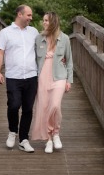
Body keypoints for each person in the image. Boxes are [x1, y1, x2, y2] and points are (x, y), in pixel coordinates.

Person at [0, 5, 39, 153]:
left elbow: (43, 49)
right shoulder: (5, 33)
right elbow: (0, 53)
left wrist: (60, 57)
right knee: (13, 105)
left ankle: (23, 139)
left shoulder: (34, 32)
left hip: (32, 76)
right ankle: (12, 131)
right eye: (28, 15)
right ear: (20, 14)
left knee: (28, 109)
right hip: (13, 76)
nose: (31, 18)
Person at [30, 11, 73, 153]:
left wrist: (69, 80)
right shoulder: (38, 38)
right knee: (43, 107)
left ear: (53, 22)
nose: (44, 23)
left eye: (47, 20)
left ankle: (56, 133)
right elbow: (32, 58)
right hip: (42, 76)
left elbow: (70, 61)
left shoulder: (65, 38)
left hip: (59, 75)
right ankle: (48, 139)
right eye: (44, 20)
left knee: (55, 105)